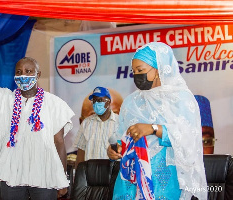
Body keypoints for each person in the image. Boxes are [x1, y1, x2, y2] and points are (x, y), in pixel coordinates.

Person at [0, 27, 75, 200]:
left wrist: (62, 179)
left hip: (44, 174)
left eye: (28, 71)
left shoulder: (54, 104)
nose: (23, 75)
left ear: (38, 74)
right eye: (19, 72)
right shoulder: (4, 99)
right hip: (12, 174)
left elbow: (59, 143)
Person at [107, 42, 207, 199]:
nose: (136, 75)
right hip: (131, 181)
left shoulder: (180, 99)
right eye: (134, 71)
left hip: (165, 178)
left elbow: (188, 138)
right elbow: (122, 137)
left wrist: (153, 128)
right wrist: (115, 150)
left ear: (159, 68)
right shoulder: (131, 101)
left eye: (141, 70)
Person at [73, 86, 119, 168]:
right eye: (94, 101)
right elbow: (81, 151)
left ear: (108, 102)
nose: (96, 103)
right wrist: (77, 174)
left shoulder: (120, 122)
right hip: (90, 173)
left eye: (100, 100)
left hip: (114, 172)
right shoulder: (86, 123)